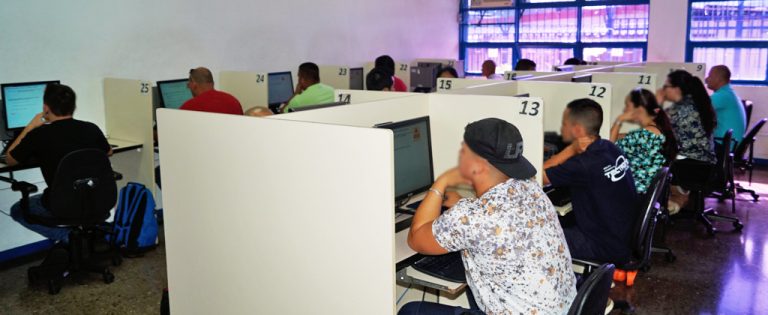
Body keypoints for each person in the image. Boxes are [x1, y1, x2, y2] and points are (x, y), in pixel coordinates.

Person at [402, 118, 577, 314]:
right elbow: (494, 219)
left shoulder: (473, 217)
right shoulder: (530, 187)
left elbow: (416, 239)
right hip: (566, 308)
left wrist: (441, 183)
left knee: (411, 310)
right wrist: (462, 205)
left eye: (464, 150)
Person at [6, 83, 112, 244]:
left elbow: (10, 159)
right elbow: (108, 151)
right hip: (97, 198)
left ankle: (67, 237)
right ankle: (80, 239)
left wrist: (31, 126)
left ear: (45, 108)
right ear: (73, 106)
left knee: (18, 210)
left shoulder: (39, 135)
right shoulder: (91, 128)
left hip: (62, 204)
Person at [543, 98, 639, 264]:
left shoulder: (582, 164)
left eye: (565, 124)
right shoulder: (610, 147)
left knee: (536, 239)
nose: (561, 128)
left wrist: (571, 150)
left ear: (578, 130)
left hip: (603, 244)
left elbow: (538, 175)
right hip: (623, 236)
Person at [611, 88, 678, 194]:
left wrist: (619, 120)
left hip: (635, 193)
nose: (625, 110)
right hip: (646, 191)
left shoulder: (644, 135)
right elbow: (629, 138)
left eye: (628, 106)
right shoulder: (656, 128)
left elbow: (609, 148)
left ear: (639, 109)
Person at [657, 70, 717, 164]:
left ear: (676, 89)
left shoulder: (679, 109)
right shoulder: (695, 102)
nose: (662, 90)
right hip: (704, 162)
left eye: (666, 86)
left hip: (689, 164)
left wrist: (658, 103)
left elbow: (655, 125)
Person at [705, 65, 747, 146]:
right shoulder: (728, 92)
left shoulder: (722, 95)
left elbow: (695, 109)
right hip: (729, 143)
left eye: (710, 76)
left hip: (723, 145)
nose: (706, 79)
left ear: (718, 79)